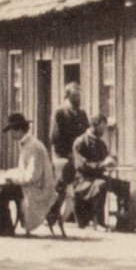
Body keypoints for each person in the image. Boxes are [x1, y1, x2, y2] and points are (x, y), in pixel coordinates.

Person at [2, 112, 58, 236]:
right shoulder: (26, 144)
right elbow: (24, 170)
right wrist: (6, 173)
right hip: (32, 185)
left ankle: (5, 228)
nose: (10, 134)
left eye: (12, 131)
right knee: (3, 191)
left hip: (39, 189)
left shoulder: (33, 146)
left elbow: (33, 175)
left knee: (3, 193)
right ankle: (5, 226)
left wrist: (12, 178)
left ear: (20, 130)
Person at [69, 115, 128, 229]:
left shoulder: (101, 144)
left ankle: (122, 222)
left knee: (123, 186)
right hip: (82, 179)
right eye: (101, 129)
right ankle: (99, 221)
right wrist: (102, 164)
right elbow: (81, 165)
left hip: (97, 177)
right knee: (101, 185)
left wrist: (111, 160)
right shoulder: (80, 142)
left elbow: (105, 161)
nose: (103, 132)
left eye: (104, 129)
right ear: (93, 126)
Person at [46, 83, 90, 229]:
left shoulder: (82, 114)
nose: (77, 98)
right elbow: (55, 138)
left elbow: (86, 135)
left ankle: (81, 216)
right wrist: (69, 154)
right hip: (64, 156)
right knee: (65, 182)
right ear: (68, 95)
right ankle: (54, 213)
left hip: (79, 156)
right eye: (74, 95)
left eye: (79, 95)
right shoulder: (60, 112)